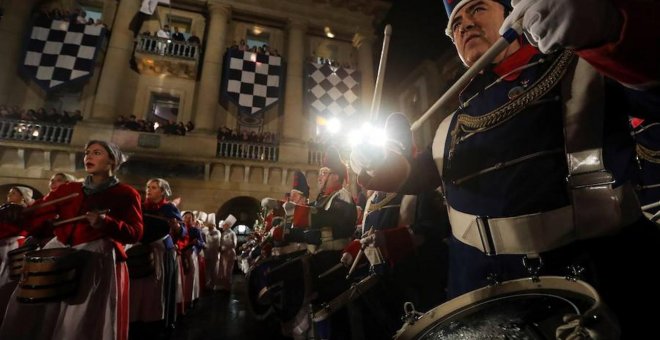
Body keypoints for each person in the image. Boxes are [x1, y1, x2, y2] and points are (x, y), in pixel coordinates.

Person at [351, 0, 660, 337]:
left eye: (478, 9)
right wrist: (373, 163)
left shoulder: (585, 63)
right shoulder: (449, 126)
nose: (465, 24)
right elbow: (411, 173)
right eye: (456, 23)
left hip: (596, 288)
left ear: (513, 14)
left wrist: (609, 28)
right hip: (479, 300)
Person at [0, 140, 143, 340]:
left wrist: (107, 223)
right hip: (58, 253)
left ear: (112, 161)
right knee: (36, 311)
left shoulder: (126, 194)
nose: (88, 157)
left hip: (94, 258)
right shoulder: (68, 189)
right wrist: (18, 214)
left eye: (96, 153)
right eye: (87, 152)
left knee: (78, 318)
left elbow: (136, 233)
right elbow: (38, 214)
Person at [128, 178, 181, 334]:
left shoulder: (169, 208)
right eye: (148, 187)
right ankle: (136, 316)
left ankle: (160, 319)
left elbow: (182, 232)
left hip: (162, 253)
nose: (149, 190)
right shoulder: (140, 207)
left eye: (154, 187)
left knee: (159, 288)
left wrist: (176, 227)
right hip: (140, 252)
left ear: (162, 191)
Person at [0, 186, 33, 321]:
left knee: (8, 276)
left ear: (22, 197)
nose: (10, 196)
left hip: (12, 246)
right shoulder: (4, 208)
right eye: (9, 193)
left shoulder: (25, 211)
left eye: (14, 193)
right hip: (3, 243)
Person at [217, 215, 237, 291]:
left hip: (230, 254)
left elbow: (234, 244)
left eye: (224, 225)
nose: (223, 226)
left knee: (228, 271)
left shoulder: (232, 233)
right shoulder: (223, 233)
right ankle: (224, 286)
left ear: (228, 225)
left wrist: (225, 247)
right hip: (223, 254)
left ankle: (228, 287)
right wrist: (220, 248)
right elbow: (221, 243)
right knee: (223, 271)